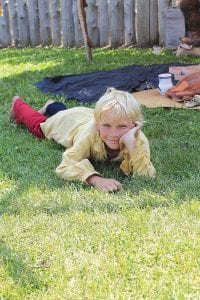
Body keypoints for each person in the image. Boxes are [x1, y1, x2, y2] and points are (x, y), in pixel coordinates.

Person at [10, 88, 156, 192]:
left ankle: (51, 105)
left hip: (80, 115)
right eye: (106, 126)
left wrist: (132, 146)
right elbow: (66, 166)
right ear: (97, 123)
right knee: (39, 127)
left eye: (122, 126)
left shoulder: (137, 138)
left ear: (135, 124)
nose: (113, 134)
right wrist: (94, 179)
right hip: (69, 123)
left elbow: (146, 177)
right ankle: (18, 104)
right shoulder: (89, 134)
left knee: (63, 112)